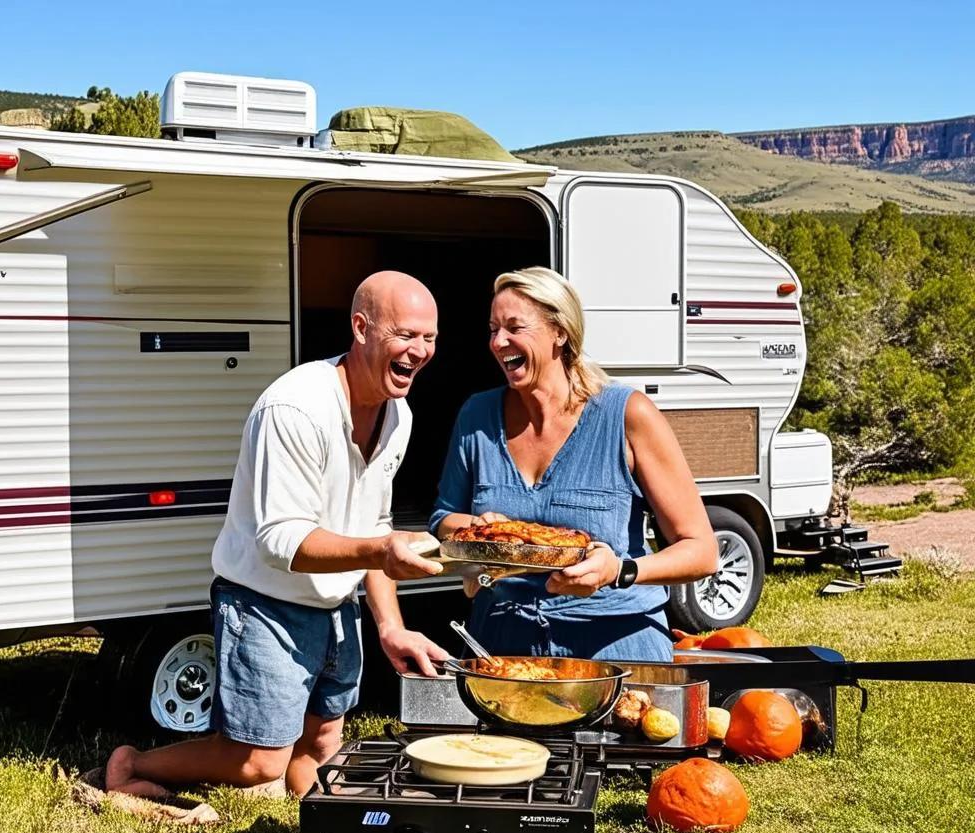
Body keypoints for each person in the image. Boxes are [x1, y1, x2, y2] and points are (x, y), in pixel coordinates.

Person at [107, 271, 450, 799]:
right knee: (256, 762)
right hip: (265, 602)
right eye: (405, 334)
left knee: (322, 740)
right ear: (361, 328)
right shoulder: (294, 407)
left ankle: (317, 827)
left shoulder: (397, 415)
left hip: (337, 607)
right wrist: (381, 551)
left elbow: (374, 525)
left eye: (429, 337)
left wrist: (389, 627)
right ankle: (132, 765)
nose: (419, 350)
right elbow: (282, 540)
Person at [429, 267, 718, 662]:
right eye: (493, 328)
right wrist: (476, 530)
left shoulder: (626, 414)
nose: (498, 342)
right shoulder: (477, 415)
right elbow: (442, 517)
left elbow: (701, 550)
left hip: (616, 647)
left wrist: (619, 571)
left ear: (560, 332)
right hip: (503, 646)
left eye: (514, 327)